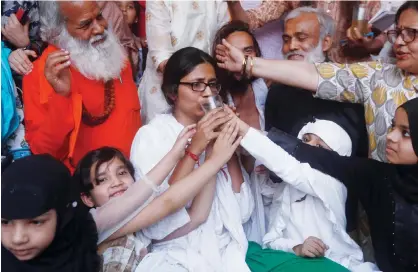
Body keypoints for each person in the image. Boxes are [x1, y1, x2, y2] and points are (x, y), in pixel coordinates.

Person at [216, 0, 418, 162]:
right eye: (398, 33)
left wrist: (365, 42)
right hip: (383, 193)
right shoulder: (376, 77)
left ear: (327, 42)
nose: (399, 41)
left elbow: (376, 41)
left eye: (411, 34)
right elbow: (314, 74)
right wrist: (247, 63)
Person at [238, 96, 418, 272]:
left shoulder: (329, 184)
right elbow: (309, 158)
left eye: (406, 133)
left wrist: (243, 131)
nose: (391, 137)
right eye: (392, 126)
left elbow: (291, 167)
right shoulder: (377, 176)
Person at [131, 47, 254, 271]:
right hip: (175, 255)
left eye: (212, 84)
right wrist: (196, 148)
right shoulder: (151, 136)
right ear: (172, 92)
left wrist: (226, 142)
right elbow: (161, 213)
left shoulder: (216, 132)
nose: (207, 93)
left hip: (227, 250)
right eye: (196, 85)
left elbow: (243, 209)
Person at [74, 122, 241, 271]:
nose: (116, 182)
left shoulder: (143, 228)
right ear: (87, 199)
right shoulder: (94, 224)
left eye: (122, 173)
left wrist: (211, 153)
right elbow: (166, 201)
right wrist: (211, 159)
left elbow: (197, 215)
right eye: (102, 180)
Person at [23, 1, 141, 171]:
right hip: (87, 189)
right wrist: (62, 97)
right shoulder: (39, 75)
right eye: (86, 24)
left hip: (136, 177)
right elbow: (44, 153)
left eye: (99, 16)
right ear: (57, 31)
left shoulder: (117, 57)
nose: (100, 28)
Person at [1, 154, 100, 272]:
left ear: (64, 216)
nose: (17, 238)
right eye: (5, 222)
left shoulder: (90, 248)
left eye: (35, 222)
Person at [139, 0, 229, 123]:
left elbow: (224, 39)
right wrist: (194, 85)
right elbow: (160, 56)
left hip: (208, 88)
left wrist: (207, 86)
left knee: (211, 135)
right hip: (169, 87)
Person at [227, 0, 385, 63]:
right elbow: (250, 21)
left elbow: (379, 39)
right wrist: (233, 3)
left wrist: (367, 41)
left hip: (353, 77)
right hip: (308, 80)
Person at [115, 0, 145, 84]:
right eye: (118, 5)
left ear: (136, 19)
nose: (123, 9)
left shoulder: (141, 46)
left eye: (130, 7)